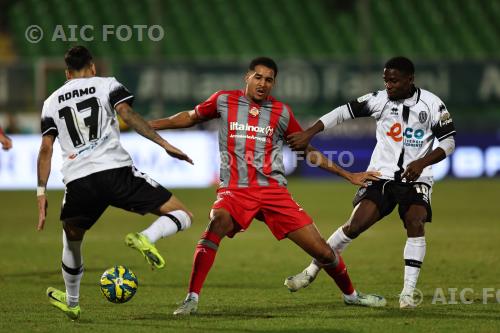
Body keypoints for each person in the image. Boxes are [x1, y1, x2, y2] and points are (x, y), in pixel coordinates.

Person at [149, 57, 386, 315]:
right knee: (217, 222)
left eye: (269, 79)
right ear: (247, 78)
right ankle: (191, 298)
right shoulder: (224, 100)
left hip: (273, 192)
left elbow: (306, 150)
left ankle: (351, 295)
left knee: (323, 251)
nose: (263, 83)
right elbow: (190, 117)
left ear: (274, 83)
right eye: (258, 77)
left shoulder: (281, 113)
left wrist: (347, 174)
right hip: (236, 190)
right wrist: (150, 125)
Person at [37, 46, 194, 321]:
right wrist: (164, 143)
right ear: (93, 67)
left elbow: (46, 149)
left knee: (71, 241)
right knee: (182, 214)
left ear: (66, 72)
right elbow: (128, 116)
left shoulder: (51, 102)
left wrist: (41, 194)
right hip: (116, 171)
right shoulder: (107, 84)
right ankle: (147, 236)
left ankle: (72, 301)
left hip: (78, 180)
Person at [285, 56, 456, 308]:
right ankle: (310, 271)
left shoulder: (433, 105)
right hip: (380, 177)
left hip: (416, 178)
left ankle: (408, 293)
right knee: (354, 226)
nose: (389, 85)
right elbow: (342, 113)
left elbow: (449, 142)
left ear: (410, 79)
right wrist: (309, 133)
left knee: (415, 221)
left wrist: (421, 162)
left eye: (394, 80)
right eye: (386, 80)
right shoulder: (379, 100)